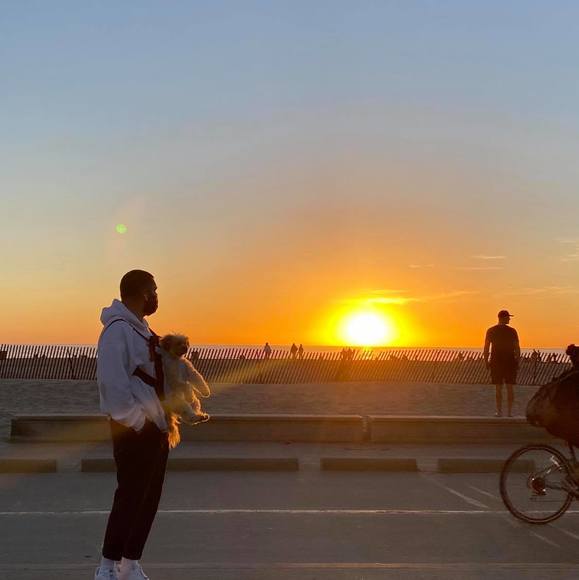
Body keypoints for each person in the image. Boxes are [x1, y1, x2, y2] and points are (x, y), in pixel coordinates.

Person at [94, 270, 169, 580]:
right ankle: (107, 567)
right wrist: (139, 423)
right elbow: (113, 385)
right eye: (154, 291)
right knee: (129, 499)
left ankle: (130, 563)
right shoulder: (118, 330)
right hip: (134, 429)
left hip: (156, 427)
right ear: (142, 293)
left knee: (147, 500)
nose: (156, 297)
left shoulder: (141, 329)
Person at [483, 309, 520, 417]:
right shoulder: (512, 331)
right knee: (509, 387)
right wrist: (517, 361)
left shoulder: (491, 330)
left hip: (496, 361)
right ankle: (509, 412)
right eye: (508, 317)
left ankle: (499, 412)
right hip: (509, 361)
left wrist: (486, 361)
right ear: (502, 318)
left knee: (498, 388)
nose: (509, 319)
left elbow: (486, 348)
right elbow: (517, 348)